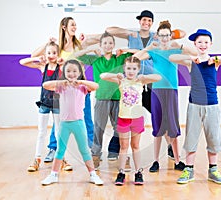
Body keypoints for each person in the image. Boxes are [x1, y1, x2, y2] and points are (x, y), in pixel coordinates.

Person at [106, 10, 186, 160]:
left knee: (162, 117)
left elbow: (182, 33)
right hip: (133, 83)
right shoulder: (131, 35)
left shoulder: (157, 37)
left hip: (150, 84)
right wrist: (129, 32)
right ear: (140, 21)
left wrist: (166, 35)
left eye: (149, 21)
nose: (146, 23)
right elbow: (109, 30)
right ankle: (115, 148)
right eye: (144, 20)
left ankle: (170, 147)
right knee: (123, 114)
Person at [169, 29, 221, 184]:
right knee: (191, 138)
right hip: (195, 105)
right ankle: (189, 169)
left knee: (213, 138)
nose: (203, 45)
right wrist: (191, 57)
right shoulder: (191, 61)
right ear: (195, 44)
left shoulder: (214, 61)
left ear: (210, 44)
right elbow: (172, 57)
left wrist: (216, 58)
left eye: (206, 42)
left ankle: (213, 169)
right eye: (200, 42)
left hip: (212, 106)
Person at [31, 17, 101, 169]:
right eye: (72, 25)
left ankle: (91, 150)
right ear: (64, 27)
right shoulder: (58, 46)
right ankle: (53, 149)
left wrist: (88, 41)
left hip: (80, 87)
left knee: (87, 119)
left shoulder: (79, 43)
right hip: (63, 90)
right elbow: (33, 55)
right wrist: (46, 43)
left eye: (76, 24)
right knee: (59, 121)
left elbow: (99, 39)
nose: (75, 27)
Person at [133, 20, 197, 173]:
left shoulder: (175, 51)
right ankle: (155, 162)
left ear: (170, 36)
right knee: (158, 128)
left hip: (172, 91)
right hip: (157, 91)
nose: (164, 38)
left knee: (173, 128)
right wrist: (148, 47)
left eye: (167, 35)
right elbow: (134, 59)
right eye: (161, 36)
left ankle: (177, 160)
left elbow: (194, 53)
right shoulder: (154, 52)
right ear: (157, 36)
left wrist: (179, 45)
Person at [76, 32, 138, 169]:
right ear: (101, 45)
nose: (108, 45)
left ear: (114, 45)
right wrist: (91, 49)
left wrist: (125, 50)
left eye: (110, 43)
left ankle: (117, 152)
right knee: (99, 128)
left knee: (120, 128)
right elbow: (76, 56)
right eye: (105, 43)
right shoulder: (96, 60)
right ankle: (96, 154)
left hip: (118, 98)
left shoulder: (120, 58)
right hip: (101, 99)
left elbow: (138, 53)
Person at [41, 59, 103, 186]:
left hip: (79, 123)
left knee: (84, 150)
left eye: (75, 71)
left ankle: (93, 175)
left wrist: (80, 81)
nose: (71, 73)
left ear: (80, 72)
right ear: (64, 72)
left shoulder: (82, 87)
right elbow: (45, 85)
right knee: (60, 150)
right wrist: (62, 81)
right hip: (64, 124)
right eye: (68, 71)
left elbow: (96, 86)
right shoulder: (62, 86)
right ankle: (53, 175)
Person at [100, 56, 162, 185]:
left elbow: (158, 77)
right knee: (123, 147)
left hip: (137, 119)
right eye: (128, 68)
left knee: (135, 146)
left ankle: (138, 172)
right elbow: (102, 76)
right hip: (123, 118)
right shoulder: (121, 80)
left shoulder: (140, 81)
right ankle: (121, 172)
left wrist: (144, 77)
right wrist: (116, 75)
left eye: (134, 69)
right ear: (124, 69)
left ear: (138, 70)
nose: (131, 71)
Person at [19, 41, 61, 172]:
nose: (51, 55)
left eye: (54, 52)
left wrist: (63, 61)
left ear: (58, 54)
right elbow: (23, 62)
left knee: (59, 132)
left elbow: (75, 65)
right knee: (41, 132)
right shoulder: (43, 66)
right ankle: (37, 159)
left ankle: (62, 158)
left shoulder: (61, 67)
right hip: (44, 103)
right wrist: (37, 58)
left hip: (57, 104)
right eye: (49, 52)